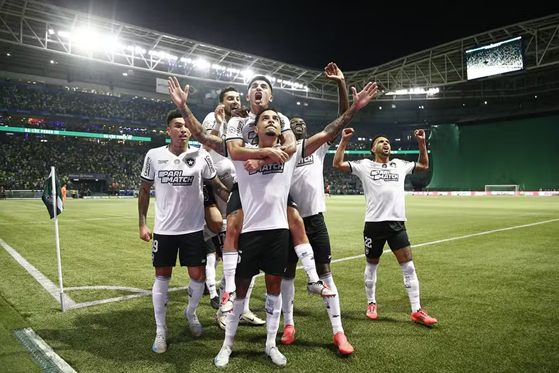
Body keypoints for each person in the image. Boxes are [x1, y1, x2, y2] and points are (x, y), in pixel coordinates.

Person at [167, 76, 335, 319]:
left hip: (273, 188)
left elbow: (290, 147)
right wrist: (264, 152)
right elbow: (226, 147)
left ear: (271, 96)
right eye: (253, 87)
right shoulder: (238, 120)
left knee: (294, 222)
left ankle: (306, 281)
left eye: (263, 87)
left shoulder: (280, 119)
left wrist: (259, 158)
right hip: (242, 186)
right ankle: (228, 295)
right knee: (232, 231)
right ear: (249, 97)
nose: (258, 90)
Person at [279, 63, 378, 354]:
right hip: (286, 221)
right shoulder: (281, 154)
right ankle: (288, 324)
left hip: (314, 220)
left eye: (301, 124)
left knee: (325, 273)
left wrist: (340, 84)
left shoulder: (317, 147)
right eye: (293, 124)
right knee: (287, 275)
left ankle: (338, 332)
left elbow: (340, 118)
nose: (297, 126)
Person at [138, 109, 230, 354]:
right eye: (178, 126)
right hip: (165, 231)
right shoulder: (154, 155)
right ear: (168, 130)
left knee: (198, 276)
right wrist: (142, 223)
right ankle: (161, 330)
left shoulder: (201, 155)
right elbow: (145, 189)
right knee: (162, 277)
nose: (184, 129)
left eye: (187, 125)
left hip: (192, 229)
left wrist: (237, 200)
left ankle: (190, 313)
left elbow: (216, 184)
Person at [332, 128, 437, 325]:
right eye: (381, 142)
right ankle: (371, 303)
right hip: (373, 224)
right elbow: (337, 164)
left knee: (409, 267)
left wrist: (422, 143)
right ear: (373, 148)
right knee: (372, 264)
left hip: (397, 223)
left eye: (387, 141)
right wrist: (344, 140)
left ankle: (417, 310)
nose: (386, 144)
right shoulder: (364, 165)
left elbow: (423, 164)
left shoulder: (400, 165)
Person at [201, 86, 266, 328]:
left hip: (241, 192)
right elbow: (204, 150)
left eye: (237, 98)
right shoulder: (213, 118)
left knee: (248, 258)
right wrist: (219, 123)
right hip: (217, 191)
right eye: (230, 99)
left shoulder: (245, 122)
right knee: (226, 257)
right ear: (221, 103)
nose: (235, 102)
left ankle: (243, 308)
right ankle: (223, 311)